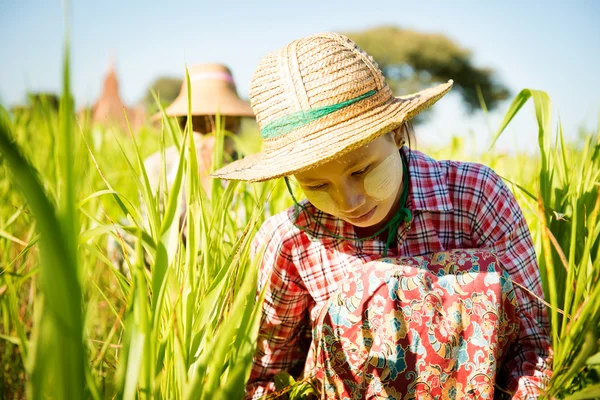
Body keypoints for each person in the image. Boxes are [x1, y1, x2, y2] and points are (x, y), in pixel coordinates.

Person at [211, 33, 552, 399]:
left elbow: (533, 346)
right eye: (318, 186)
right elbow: (265, 376)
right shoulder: (289, 241)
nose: (349, 201)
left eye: (361, 171)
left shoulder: (475, 197)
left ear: (397, 131)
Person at [107, 63, 254, 276]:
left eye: (226, 126)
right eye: (201, 126)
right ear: (183, 127)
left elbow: (246, 233)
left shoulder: (249, 170)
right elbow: (155, 230)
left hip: (226, 261)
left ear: (237, 127)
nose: (213, 137)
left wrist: (212, 191)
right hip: (172, 260)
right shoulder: (158, 167)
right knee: (120, 234)